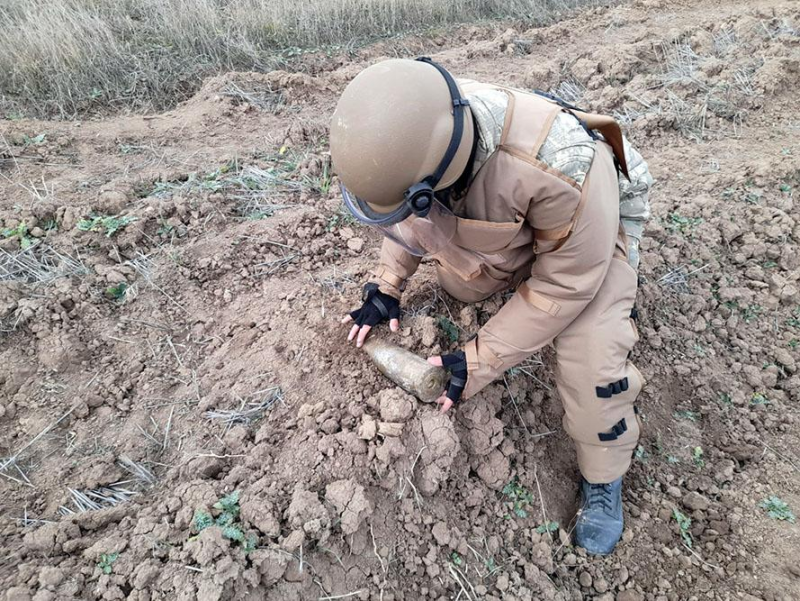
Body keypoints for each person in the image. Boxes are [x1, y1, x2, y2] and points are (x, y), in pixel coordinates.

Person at [329, 58, 653, 555]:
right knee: (465, 287)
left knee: (590, 353)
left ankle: (604, 477)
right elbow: (409, 217)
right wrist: (387, 285)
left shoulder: (559, 163)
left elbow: (564, 286)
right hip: (516, 211)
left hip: (592, 222)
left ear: (436, 182)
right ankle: (519, 257)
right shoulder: (415, 131)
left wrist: (476, 361)